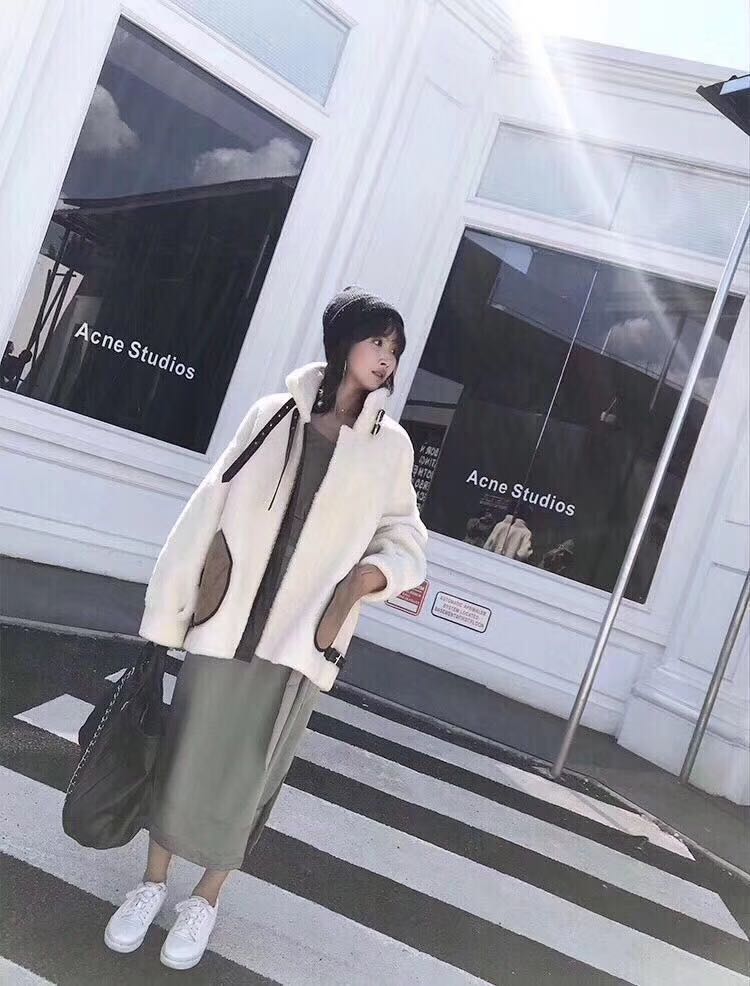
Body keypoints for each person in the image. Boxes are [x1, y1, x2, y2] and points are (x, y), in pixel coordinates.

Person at [103, 285, 429, 970]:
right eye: (377, 342)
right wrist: (172, 608)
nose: (387, 359)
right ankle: (151, 885)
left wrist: (365, 582)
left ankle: (206, 898)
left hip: (302, 641)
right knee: (185, 754)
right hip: (226, 621)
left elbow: (405, 538)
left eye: (396, 350)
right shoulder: (272, 414)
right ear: (343, 342)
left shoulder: (390, 447)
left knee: (252, 776)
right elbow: (208, 507)